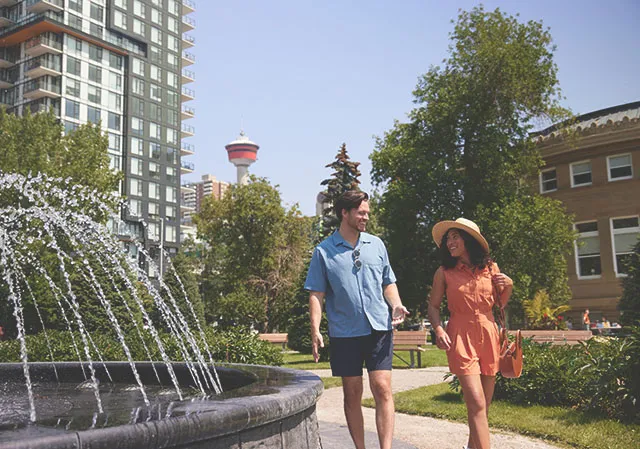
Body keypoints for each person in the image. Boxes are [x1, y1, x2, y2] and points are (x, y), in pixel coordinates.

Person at [305, 190, 409, 449]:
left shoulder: (377, 245)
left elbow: (388, 282)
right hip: (344, 333)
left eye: (367, 213)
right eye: (361, 213)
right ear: (345, 213)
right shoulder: (324, 252)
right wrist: (315, 329)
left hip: (379, 328)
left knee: (382, 387)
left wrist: (396, 304)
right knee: (352, 394)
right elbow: (316, 293)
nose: (366, 217)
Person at [427, 218, 513, 449]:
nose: (450, 242)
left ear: (469, 240)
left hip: (489, 332)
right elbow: (433, 306)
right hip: (460, 335)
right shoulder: (444, 273)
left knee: (484, 404)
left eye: (455, 237)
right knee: (475, 403)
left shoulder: (491, 268)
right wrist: (438, 329)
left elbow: (500, 305)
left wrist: (509, 286)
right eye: (448, 238)